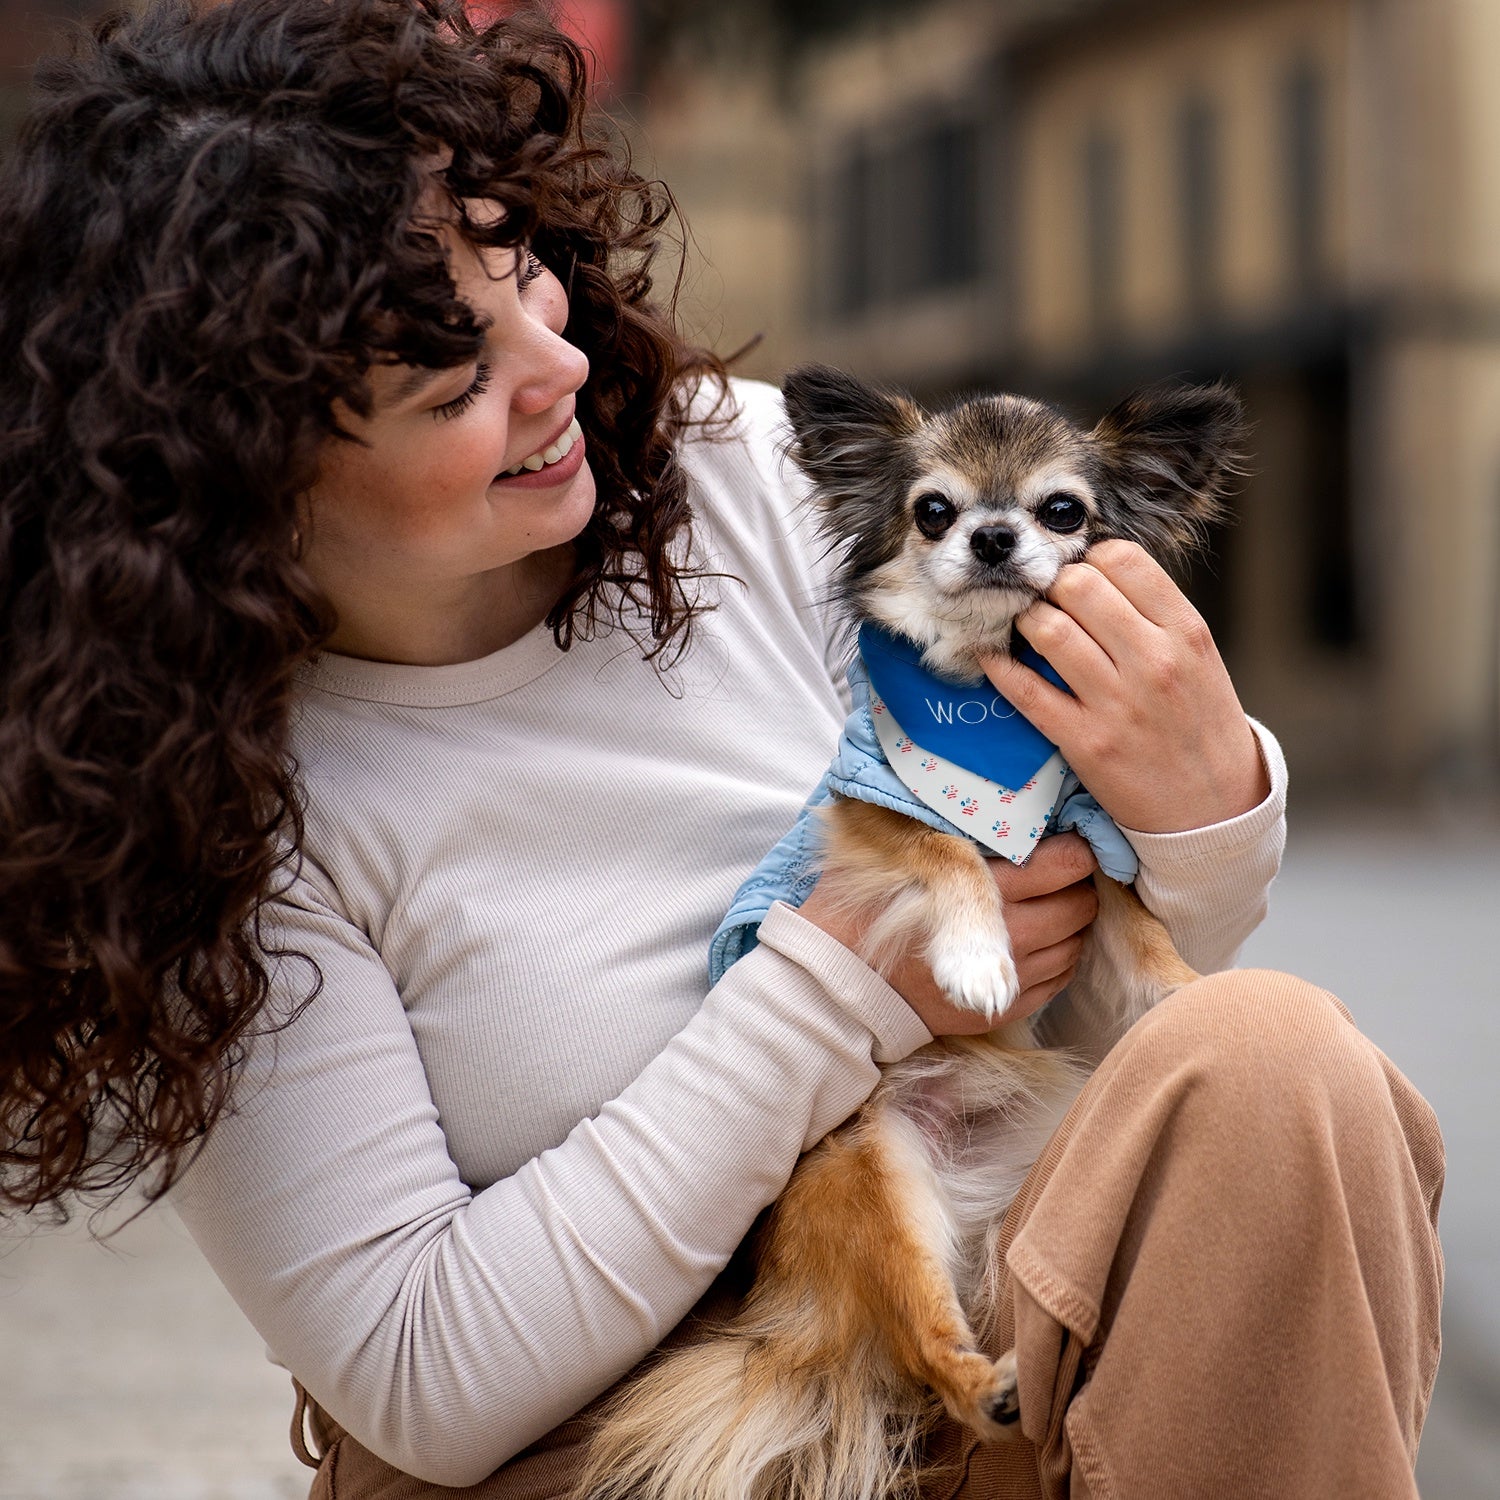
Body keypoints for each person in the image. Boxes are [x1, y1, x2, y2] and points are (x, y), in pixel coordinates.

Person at [0, 2, 1442, 1497]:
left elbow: (1096, 942)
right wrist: (832, 990)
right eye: (453, 386)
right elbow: (420, 1376)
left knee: (1272, 1064)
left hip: (997, 1353)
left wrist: (1206, 808)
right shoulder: (195, 811)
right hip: (622, 1453)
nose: (550, 367)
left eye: (525, 282)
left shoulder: (738, 478)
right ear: (246, 483)